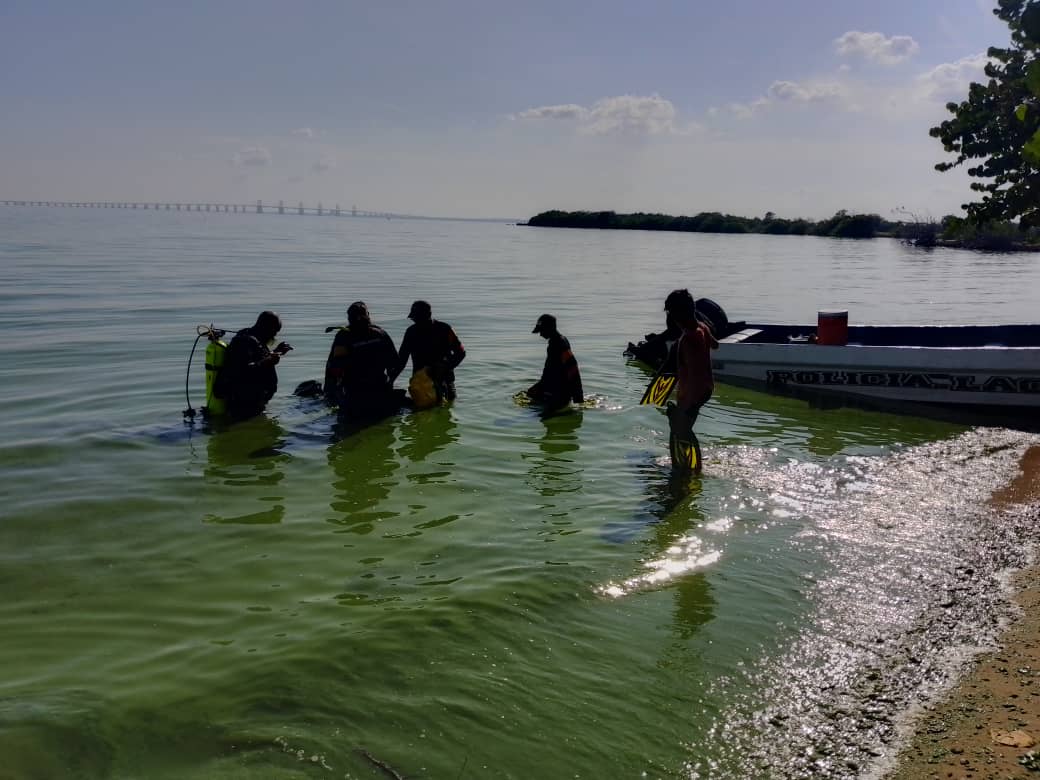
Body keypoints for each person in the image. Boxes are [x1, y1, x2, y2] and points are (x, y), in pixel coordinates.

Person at [663, 289, 718, 466]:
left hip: (693, 393)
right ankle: (688, 464)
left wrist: (687, 405)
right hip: (706, 388)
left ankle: (692, 469)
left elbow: (694, 373)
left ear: (676, 316)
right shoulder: (702, 328)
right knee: (679, 427)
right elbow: (715, 345)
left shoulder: (688, 340)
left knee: (681, 429)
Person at [324, 301, 400, 419]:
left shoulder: (343, 336)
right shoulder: (380, 334)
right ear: (368, 315)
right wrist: (390, 384)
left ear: (349, 318)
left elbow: (333, 367)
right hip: (379, 390)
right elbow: (395, 363)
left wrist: (330, 393)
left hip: (354, 393)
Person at [217, 310, 292, 421]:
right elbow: (243, 372)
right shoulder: (244, 342)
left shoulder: (256, 340)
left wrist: (277, 351)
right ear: (266, 327)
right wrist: (269, 361)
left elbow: (258, 359)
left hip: (253, 406)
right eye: (274, 331)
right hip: (243, 408)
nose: (275, 335)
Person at [390, 300, 466, 403]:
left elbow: (461, 353)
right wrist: (390, 382)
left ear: (429, 315)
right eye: (414, 318)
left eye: (419, 318)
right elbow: (401, 361)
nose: (415, 321)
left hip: (444, 381)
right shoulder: (411, 332)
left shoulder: (445, 329)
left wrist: (445, 366)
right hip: (421, 383)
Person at [527, 313, 584, 411]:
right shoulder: (555, 342)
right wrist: (539, 386)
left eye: (541, 331)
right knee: (531, 394)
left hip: (560, 390)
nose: (540, 334)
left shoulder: (559, 343)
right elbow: (550, 370)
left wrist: (578, 397)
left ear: (549, 328)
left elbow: (573, 367)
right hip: (554, 385)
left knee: (541, 415)